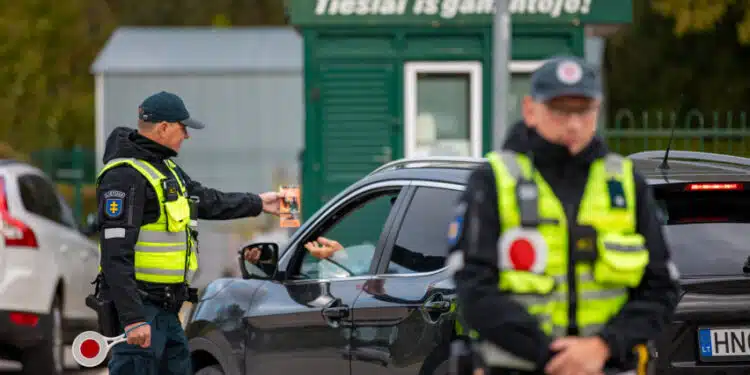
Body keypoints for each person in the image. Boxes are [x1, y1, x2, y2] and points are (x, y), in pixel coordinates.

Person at [449, 56, 681, 375]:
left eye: (583, 110)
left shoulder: (626, 184)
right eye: (559, 110)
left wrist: (602, 346)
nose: (573, 124)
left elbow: (662, 287)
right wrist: (555, 358)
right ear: (531, 110)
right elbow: (473, 290)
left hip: (608, 365)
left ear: (597, 110)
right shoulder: (492, 181)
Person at [94, 91, 287, 375]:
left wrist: (259, 203)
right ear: (163, 127)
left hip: (167, 310)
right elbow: (114, 256)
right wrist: (133, 318)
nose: (187, 135)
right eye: (183, 127)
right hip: (140, 310)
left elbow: (207, 200)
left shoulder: (165, 168)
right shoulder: (124, 177)